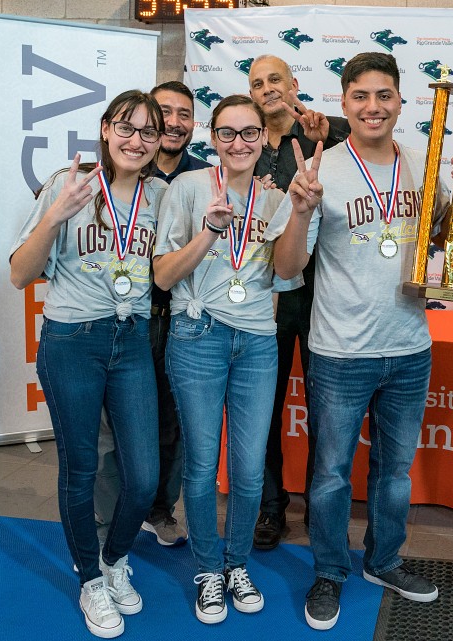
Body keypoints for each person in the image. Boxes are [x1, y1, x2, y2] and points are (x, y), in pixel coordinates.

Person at [264, 51, 453, 631]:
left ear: (400, 103)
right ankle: (330, 571)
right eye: (361, 96)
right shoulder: (319, 170)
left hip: (410, 345)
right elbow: (285, 268)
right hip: (339, 350)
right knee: (332, 473)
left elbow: (447, 241)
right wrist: (302, 214)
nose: (373, 107)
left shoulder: (423, 162)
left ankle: (384, 561)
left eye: (384, 96)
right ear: (344, 102)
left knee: (394, 472)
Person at [10, 90, 166, 638]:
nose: (136, 140)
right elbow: (19, 274)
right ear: (105, 129)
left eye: (149, 132)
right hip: (72, 341)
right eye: (127, 127)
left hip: (130, 343)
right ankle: (89, 580)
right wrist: (54, 217)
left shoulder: (162, 195)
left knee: (143, 475)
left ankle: (114, 558)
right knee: (79, 468)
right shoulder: (67, 184)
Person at [154, 94, 288, 624]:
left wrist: (263, 325)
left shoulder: (275, 200)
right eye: (228, 133)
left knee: (251, 467)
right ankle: (208, 569)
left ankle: (238, 564)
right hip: (197, 334)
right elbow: (163, 277)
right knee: (203, 462)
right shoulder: (186, 188)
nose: (239, 143)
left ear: (262, 139)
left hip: (256, 340)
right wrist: (209, 231)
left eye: (249, 133)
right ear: (213, 139)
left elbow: (281, 278)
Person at [94, 81, 209, 548]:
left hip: (176, 317)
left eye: (185, 114)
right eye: (166, 112)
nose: (175, 123)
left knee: (171, 422)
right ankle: (107, 518)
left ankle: (159, 510)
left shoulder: (203, 177)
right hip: (121, 318)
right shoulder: (99, 178)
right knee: (109, 429)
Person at [247, 54, 350, 549]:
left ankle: (318, 503)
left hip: (318, 296)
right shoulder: (244, 143)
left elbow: (369, 141)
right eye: (257, 83)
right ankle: (270, 508)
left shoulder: (323, 133)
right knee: (262, 406)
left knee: (323, 406)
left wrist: (325, 131)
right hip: (261, 299)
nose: (267, 89)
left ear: (294, 83)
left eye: (275, 80)